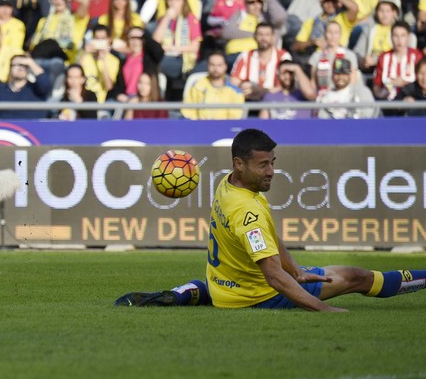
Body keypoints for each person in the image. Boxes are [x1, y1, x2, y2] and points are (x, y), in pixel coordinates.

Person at [116, 128, 426, 310]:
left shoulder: (229, 183)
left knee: (314, 274)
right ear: (239, 164)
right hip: (255, 296)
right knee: (356, 276)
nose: (271, 171)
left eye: (273, 162)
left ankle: (187, 292)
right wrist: (324, 308)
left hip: (221, 284)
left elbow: (270, 240)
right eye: (263, 164)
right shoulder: (247, 212)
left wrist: (297, 270)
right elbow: (274, 278)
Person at [152, 0, 202, 101]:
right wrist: (167, 18)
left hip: (183, 59)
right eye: (170, 0)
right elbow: (155, 41)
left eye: (177, 0)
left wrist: (174, 48)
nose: (173, 3)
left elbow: (195, 47)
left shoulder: (190, 19)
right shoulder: (162, 19)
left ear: (183, 2)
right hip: (166, 57)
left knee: (154, 63)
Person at [230, 22, 292, 101]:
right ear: (254, 36)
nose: (263, 38)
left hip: (276, 101)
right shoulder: (245, 56)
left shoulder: (283, 56)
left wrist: (261, 91)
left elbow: (287, 85)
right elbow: (234, 82)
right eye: (260, 34)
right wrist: (243, 86)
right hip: (249, 101)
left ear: (273, 37)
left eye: (267, 35)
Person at [181, 51, 245, 120]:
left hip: (225, 128)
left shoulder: (235, 91)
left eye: (219, 65)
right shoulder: (197, 86)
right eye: (212, 65)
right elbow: (188, 113)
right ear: (207, 66)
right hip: (199, 128)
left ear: (225, 67)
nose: (215, 69)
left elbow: (235, 118)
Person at [0, 55, 52, 119]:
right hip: (6, 127)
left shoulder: (36, 88)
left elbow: (46, 84)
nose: (21, 68)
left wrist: (31, 63)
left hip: (33, 127)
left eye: (24, 65)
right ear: (10, 68)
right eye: (17, 65)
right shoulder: (0, 89)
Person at [372, 21, 421, 102]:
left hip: (411, 102)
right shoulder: (383, 57)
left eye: (403, 36)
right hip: (387, 103)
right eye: (396, 36)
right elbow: (377, 86)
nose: (399, 40)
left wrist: (404, 83)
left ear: (408, 37)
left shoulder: (417, 57)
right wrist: (383, 92)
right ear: (391, 37)